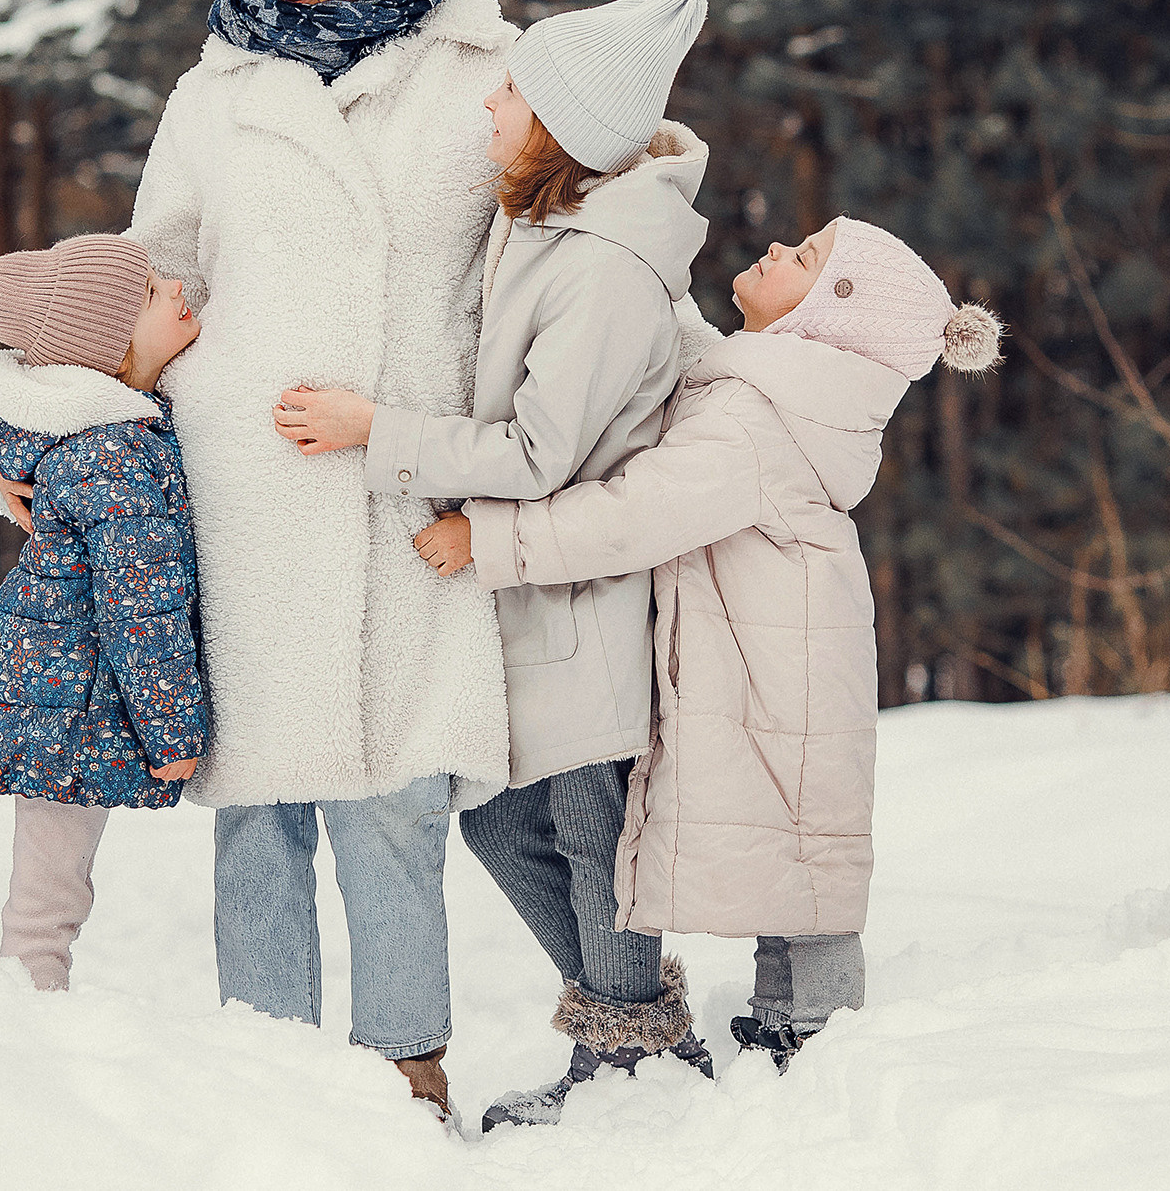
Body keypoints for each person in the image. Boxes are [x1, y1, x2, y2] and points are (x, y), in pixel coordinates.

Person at [15, 0, 518, 1121]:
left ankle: (409, 1071)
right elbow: (139, 281)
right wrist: (26, 410)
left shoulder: (489, 71)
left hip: (407, 471)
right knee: (262, 811)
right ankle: (272, 1083)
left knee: (397, 800)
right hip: (245, 482)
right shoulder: (220, 91)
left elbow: (559, 248)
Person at [273, 0, 723, 1131]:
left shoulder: (604, 265)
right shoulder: (552, 223)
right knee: (502, 818)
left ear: (567, 125)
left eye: (514, 90)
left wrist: (378, 431)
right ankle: (629, 1032)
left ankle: (629, 1054)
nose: (490, 101)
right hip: (532, 598)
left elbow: (536, 450)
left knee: (585, 822)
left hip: (580, 597)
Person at [417, 213, 1003, 1070]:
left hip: (775, 674)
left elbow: (636, 515)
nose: (775, 250)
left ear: (824, 318)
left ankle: (813, 1041)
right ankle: (780, 1025)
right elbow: (692, 349)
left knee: (798, 850)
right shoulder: (771, 390)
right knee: (798, 849)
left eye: (802, 259)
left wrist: (496, 540)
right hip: (780, 666)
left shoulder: (755, 418)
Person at [0, 233, 206, 992]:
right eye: (158, 292)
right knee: (51, 895)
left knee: (51, 886)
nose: (180, 290)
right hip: (71, 705)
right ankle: (25, 1019)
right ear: (112, 345)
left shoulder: (87, 431)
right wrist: (172, 732)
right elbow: (140, 607)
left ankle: (27, 1005)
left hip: (57, 694)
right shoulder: (111, 456)